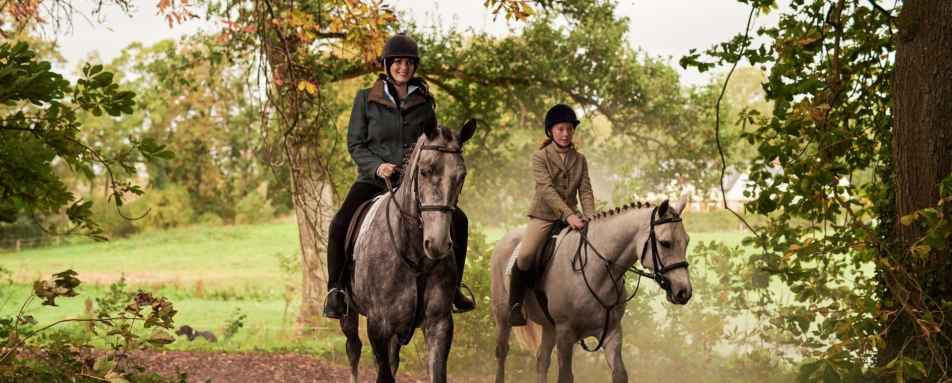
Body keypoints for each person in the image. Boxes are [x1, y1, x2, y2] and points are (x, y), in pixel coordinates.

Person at [323, 33, 475, 319]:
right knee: (339, 223)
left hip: (413, 183)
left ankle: (453, 289)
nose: (403, 68)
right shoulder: (365, 99)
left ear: (414, 66)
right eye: (397, 62)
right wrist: (377, 166)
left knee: (459, 220)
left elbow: (429, 142)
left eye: (408, 63)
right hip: (373, 180)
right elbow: (356, 144)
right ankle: (337, 290)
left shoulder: (426, 101)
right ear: (387, 64)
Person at [508, 104, 595, 326]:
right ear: (551, 132)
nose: (565, 134)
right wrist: (568, 216)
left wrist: (591, 217)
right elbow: (546, 190)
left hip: (573, 216)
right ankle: (516, 305)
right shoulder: (540, 157)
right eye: (560, 129)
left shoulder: (580, 159)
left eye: (569, 129)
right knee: (526, 255)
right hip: (544, 215)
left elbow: (585, 190)